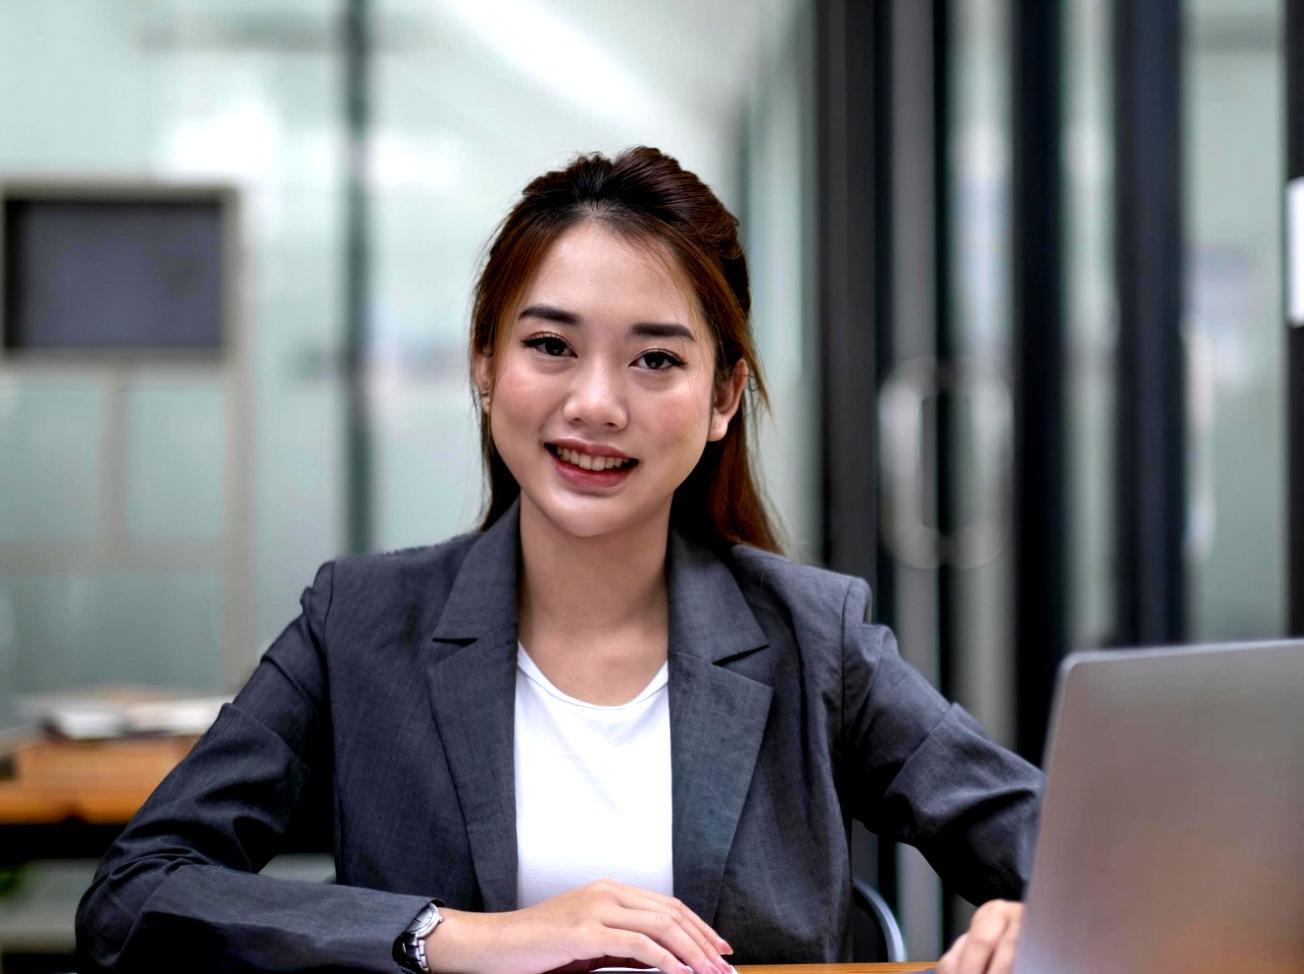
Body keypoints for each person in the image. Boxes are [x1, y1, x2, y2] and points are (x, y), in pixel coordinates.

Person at [76, 147, 1042, 974]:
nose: (596, 403)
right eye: (550, 345)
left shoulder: (811, 635)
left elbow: (1065, 847)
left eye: (655, 359)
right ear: (486, 365)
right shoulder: (361, 623)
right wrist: (453, 936)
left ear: (722, 397)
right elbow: (135, 896)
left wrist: (1046, 916)